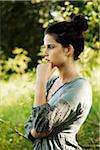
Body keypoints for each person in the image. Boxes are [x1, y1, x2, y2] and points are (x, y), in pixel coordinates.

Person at [25, 14, 92, 150]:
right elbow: (30, 126)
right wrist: (35, 132)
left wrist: (40, 82)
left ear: (68, 49)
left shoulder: (79, 88)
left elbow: (40, 125)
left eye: (50, 47)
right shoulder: (52, 82)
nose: (45, 53)